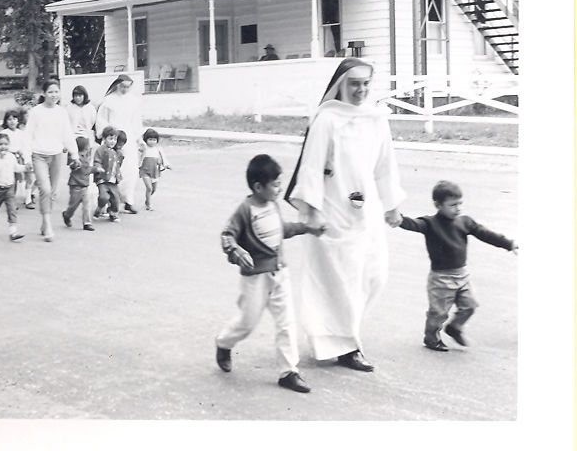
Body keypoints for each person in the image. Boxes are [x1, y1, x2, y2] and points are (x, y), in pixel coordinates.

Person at [284, 57, 405, 373]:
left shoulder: (378, 118)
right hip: (334, 211)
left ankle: (341, 337)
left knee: (374, 276)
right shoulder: (327, 119)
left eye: (365, 84)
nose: (361, 90)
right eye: (354, 84)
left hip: (368, 213)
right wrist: (311, 211)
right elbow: (311, 165)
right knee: (340, 281)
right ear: (341, 85)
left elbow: (385, 165)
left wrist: (392, 204)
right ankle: (345, 346)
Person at [215, 154, 325, 393]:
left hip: (279, 275)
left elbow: (280, 230)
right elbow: (227, 236)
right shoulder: (244, 210)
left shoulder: (273, 205)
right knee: (247, 322)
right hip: (255, 279)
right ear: (258, 187)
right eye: (275, 184)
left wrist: (307, 228)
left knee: (286, 323)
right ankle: (223, 343)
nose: (279, 188)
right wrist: (236, 251)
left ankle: (289, 372)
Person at [394, 180, 518, 351]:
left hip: (462, 276)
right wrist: (397, 218)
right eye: (452, 205)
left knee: (470, 306)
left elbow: (485, 234)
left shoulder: (465, 222)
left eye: (460, 203)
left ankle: (454, 327)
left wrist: (508, 244)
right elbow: (413, 224)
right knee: (438, 313)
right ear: (438, 205)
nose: (458, 208)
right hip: (440, 279)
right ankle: (431, 337)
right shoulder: (430, 224)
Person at [24, 79, 79, 241]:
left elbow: (67, 134)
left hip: (56, 155)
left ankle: (44, 220)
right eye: (50, 92)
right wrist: (27, 157)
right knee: (45, 190)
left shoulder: (61, 112)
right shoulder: (36, 112)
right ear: (44, 93)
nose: (54, 95)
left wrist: (74, 154)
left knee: (52, 192)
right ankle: (48, 224)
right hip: (38, 155)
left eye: (56, 91)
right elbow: (28, 135)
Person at [95, 74, 144, 214]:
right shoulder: (109, 101)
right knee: (110, 169)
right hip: (112, 137)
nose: (125, 89)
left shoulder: (134, 101)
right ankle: (108, 202)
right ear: (117, 85)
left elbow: (136, 121)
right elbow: (102, 120)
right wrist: (105, 136)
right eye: (122, 86)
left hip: (128, 139)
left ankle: (128, 201)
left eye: (128, 87)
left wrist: (139, 138)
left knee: (130, 170)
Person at [0, 132, 26, 242]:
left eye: (5, 144)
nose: (3, 147)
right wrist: (1, 159)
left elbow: (16, 168)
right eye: (0, 144)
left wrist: (25, 168)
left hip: (9, 188)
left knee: (12, 209)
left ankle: (13, 232)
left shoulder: (11, 156)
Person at [0, 109, 34, 210]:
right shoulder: (3, 133)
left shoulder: (22, 133)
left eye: (14, 119)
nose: (12, 121)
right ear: (6, 121)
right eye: (9, 119)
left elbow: (26, 147)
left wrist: (27, 160)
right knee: (12, 181)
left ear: (18, 120)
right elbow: (0, 147)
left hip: (22, 158)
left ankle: (28, 199)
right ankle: (11, 201)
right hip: (8, 159)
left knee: (29, 178)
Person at [62, 136, 95, 232]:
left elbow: (88, 168)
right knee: (73, 205)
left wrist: (96, 169)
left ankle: (87, 223)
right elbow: (71, 165)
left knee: (87, 203)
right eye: (86, 147)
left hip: (84, 184)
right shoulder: (74, 156)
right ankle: (67, 215)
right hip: (75, 185)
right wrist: (75, 164)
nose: (88, 149)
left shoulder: (87, 155)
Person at [92, 126, 121, 222]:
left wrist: (118, 176)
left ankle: (113, 213)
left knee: (116, 198)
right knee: (104, 197)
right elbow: (97, 160)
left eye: (115, 139)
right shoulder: (101, 149)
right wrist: (98, 167)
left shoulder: (115, 151)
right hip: (103, 179)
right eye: (110, 139)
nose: (113, 141)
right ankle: (99, 209)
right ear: (104, 139)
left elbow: (117, 165)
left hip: (113, 179)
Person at [139, 128, 170, 211]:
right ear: (146, 140)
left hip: (155, 170)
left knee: (153, 189)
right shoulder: (143, 148)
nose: (152, 142)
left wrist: (166, 165)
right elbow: (138, 155)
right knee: (149, 188)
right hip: (145, 170)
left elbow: (163, 158)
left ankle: (147, 200)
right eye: (150, 139)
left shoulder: (158, 149)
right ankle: (149, 205)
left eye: (154, 140)